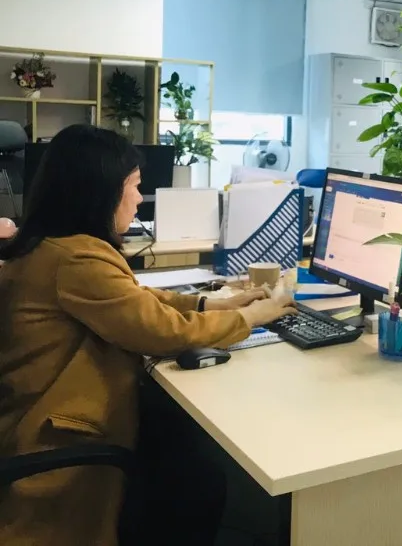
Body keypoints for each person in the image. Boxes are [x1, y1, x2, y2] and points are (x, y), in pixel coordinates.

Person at [0, 124, 296, 546]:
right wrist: (252, 317)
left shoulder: (54, 245)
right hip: (57, 443)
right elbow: (161, 331)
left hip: (41, 419)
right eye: (135, 186)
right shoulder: (76, 259)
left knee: (189, 453)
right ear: (101, 191)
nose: (140, 198)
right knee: (197, 481)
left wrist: (213, 304)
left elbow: (133, 299)